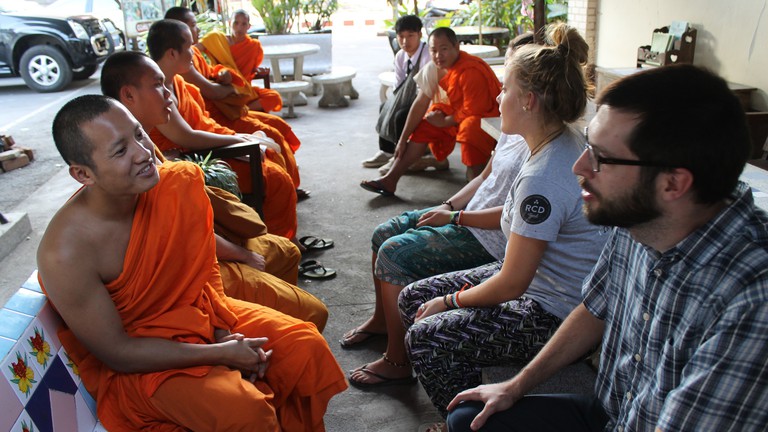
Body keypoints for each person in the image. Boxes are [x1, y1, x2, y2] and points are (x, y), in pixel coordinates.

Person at [447, 64, 768, 432]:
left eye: (600, 157)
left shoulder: (752, 298)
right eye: (587, 144)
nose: (579, 166)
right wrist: (515, 386)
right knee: (470, 419)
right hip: (617, 412)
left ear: (673, 183)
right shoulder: (639, 215)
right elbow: (594, 308)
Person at [38, 95, 347, 431]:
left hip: (201, 316)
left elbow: (201, 274)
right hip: (145, 363)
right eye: (120, 150)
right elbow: (119, 353)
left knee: (304, 347)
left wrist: (223, 333)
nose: (144, 154)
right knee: (244, 410)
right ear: (83, 173)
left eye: (140, 135)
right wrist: (221, 355)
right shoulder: (65, 253)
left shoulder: (174, 185)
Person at [394, 24, 607, 423]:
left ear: (528, 101)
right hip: (539, 283)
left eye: (505, 89)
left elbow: (512, 284)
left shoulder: (544, 174)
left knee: (425, 337)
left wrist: (450, 301)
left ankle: (467, 419)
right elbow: (516, 220)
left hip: (553, 310)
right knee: (411, 299)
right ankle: (469, 384)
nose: (497, 96)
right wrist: (455, 215)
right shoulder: (553, 143)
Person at [101, 50, 328, 330]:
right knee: (312, 316)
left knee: (286, 252)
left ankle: (268, 329)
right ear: (128, 96)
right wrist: (242, 255)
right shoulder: (122, 170)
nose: (168, 93)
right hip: (191, 277)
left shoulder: (147, 144)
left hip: (205, 250)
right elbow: (182, 233)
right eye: (158, 85)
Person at [145, 19, 300, 243]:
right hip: (191, 159)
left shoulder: (177, 82)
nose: (193, 51)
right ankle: (281, 241)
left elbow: (202, 121)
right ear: (171, 54)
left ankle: (280, 238)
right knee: (276, 178)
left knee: (272, 151)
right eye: (189, 46)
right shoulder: (156, 92)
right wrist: (235, 139)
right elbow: (185, 136)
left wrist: (234, 137)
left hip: (205, 146)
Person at [165, 6, 305, 196]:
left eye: (244, 23)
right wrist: (233, 89)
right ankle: (287, 188)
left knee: (276, 127)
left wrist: (226, 76)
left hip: (223, 110)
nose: (197, 30)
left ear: (249, 26)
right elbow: (211, 94)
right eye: (193, 25)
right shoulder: (180, 71)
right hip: (219, 115)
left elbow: (213, 74)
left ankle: (290, 184)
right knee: (272, 139)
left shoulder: (190, 59)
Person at [360, 27, 501, 196]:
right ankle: (391, 179)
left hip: (482, 118)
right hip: (458, 116)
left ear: (456, 47)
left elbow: (475, 109)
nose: (438, 55)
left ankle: (476, 186)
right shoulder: (432, 68)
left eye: (444, 49)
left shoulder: (470, 70)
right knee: (427, 123)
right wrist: (403, 139)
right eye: (434, 50)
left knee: (470, 130)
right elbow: (420, 103)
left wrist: (445, 122)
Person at [363, 14, 433, 172]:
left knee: (401, 115)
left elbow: (426, 91)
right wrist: (392, 104)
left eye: (410, 36)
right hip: (408, 96)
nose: (405, 41)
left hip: (427, 99)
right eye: (401, 36)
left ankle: (401, 156)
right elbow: (399, 85)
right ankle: (387, 151)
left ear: (420, 35)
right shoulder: (401, 56)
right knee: (385, 107)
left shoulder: (427, 55)